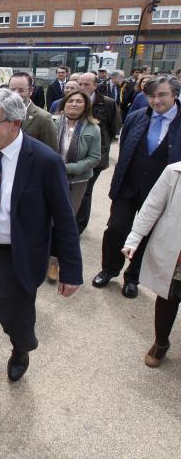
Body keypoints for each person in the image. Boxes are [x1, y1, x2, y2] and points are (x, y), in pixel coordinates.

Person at [0, 89, 82, 406]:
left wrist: (71, 270)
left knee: (16, 321)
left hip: (16, 257)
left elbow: (64, 220)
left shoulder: (45, 162)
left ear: (16, 123)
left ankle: (21, 347)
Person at [92, 76, 181, 298]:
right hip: (129, 186)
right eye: (151, 95)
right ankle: (109, 269)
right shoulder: (135, 117)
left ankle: (132, 277)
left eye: (162, 95)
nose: (156, 100)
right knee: (115, 229)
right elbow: (124, 152)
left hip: (162, 193)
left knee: (146, 235)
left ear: (175, 94)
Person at [122, 162, 181, 367]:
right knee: (169, 296)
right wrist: (134, 237)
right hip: (176, 254)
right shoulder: (174, 171)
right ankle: (161, 342)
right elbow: (152, 206)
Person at [46, 91, 101, 282]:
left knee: (64, 221)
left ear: (86, 106)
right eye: (71, 100)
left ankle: (55, 262)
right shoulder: (51, 121)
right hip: (49, 179)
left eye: (79, 101)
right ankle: (42, 254)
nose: (75, 104)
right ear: (64, 103)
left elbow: (94, 158)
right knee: (45, 218)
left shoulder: (93, 128)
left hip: (76, 182)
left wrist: (66, 168)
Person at [74, 72, 121, 235]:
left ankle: (79, 226)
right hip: (75, 157)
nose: (82, 87)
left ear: (95, 85)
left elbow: (115, 128)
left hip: (96, 158)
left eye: (86, 84)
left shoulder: (107, 103)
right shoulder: (74, 101)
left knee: (85, 192)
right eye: (80, 84)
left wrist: (101, 146)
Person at [7, 72, 58, 152]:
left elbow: (51, 151)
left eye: (21, 90)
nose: (15, 94)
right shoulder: (0, 113)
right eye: (12, 90)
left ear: (31, 91)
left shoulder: (43, 118)